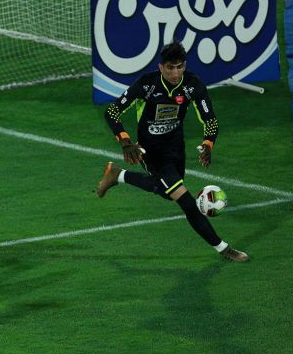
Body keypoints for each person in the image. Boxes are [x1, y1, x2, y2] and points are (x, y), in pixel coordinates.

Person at [96, 40, 250, 262]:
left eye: (179, 67)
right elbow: (112, 112)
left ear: (184, 66)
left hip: (176, 148)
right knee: (185, 200)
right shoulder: (147, 85)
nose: (175, 73)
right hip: (150, 151)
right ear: (161, 67)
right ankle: (223, 248)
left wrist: (208, 144)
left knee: (165, 191)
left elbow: (210, 120)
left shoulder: (192, 85)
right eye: (170, 68)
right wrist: (125, 141)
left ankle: (117, 175)